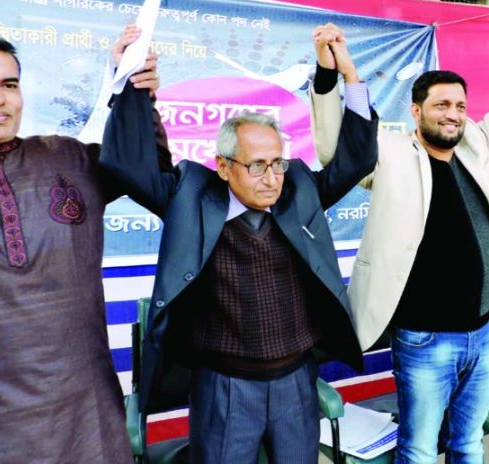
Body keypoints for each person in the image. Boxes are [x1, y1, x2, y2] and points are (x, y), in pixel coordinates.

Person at [99, 25, 377, 463]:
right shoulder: (190, 196)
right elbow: (129, 166)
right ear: (224, 166)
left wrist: (349, 77)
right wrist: (130, 85)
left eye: (278, 163)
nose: (272, 179)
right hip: (224, 385)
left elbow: (356, 160)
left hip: (296, 381)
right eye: (257, 166)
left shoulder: (296, 190)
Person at [309, 0, 489, 464]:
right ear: (416, 112)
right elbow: (339, 147)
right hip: (424, 339)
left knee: (469, 443)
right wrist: (331, 73)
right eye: (440, 105)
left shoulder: (475, 143)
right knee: (417, 449)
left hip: (482, 332)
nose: (452, 114)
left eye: (459, 105)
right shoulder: (390, 153)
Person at [0, 30, 164, 462]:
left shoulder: (66, 158)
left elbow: (146, 172)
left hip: (88, 416)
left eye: (9, 85)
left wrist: (132, 91)